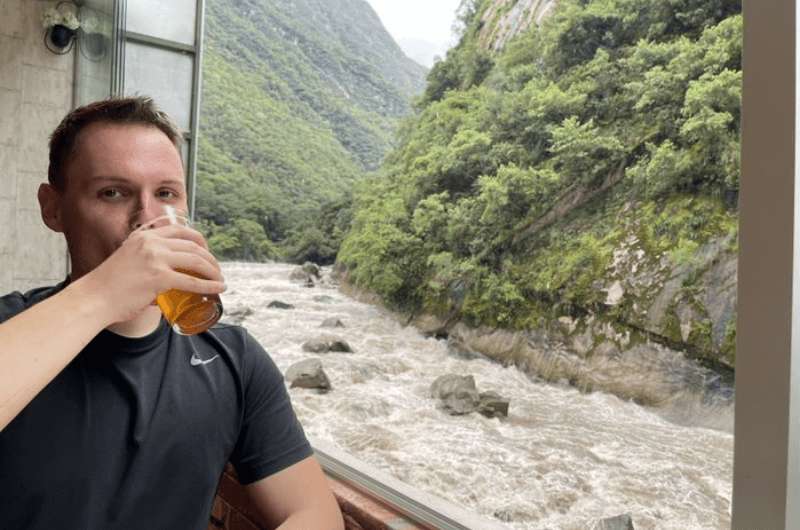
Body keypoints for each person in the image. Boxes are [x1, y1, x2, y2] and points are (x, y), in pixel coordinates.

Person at [0, 97, 344, 530]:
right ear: (53, 208)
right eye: (112, 193)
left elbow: (314, 512)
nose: (147, 221)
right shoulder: (10, 328)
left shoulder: (234, 359)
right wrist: (104, 294)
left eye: (165, 194)